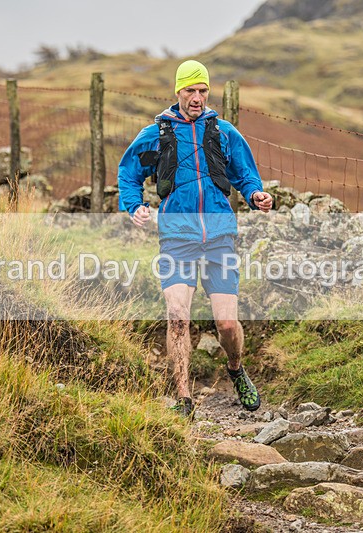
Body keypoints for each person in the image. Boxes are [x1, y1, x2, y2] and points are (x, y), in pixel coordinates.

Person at [117, 60, 273, 417]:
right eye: (190, 90)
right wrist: (135, 206)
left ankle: (235, 369)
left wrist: (256, 195)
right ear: (178, 91)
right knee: (177, 317)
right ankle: (184, 398)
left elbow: (245, 175)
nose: (197, 97)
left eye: (203, 91)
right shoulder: (156, 134)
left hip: (219, 237)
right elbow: (129, 174)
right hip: (177, 238)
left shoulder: (223, 132)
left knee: (227, 324)